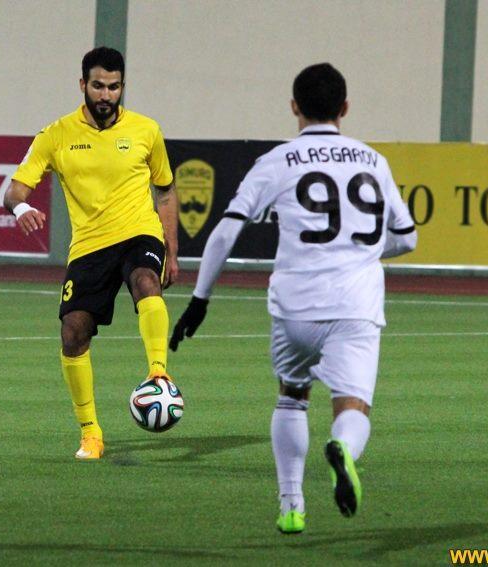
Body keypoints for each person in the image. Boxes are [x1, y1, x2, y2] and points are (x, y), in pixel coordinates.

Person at [169, 63, 417, 533]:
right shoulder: (373, 161)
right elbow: (407, 238)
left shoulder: (278, 161)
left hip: (295, 305)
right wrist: (360, 252)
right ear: (345, 108)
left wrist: (200, 299)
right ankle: (343, 449)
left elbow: (225, 232)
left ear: (294, 107)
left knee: (291, 398)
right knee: (353, 406)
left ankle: (291, 506)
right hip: (356, 306)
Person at [4, 46, 178, 461]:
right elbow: (13, 191)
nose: (106, 95)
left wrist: (171, 251)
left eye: (114, 87)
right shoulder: (56, 135)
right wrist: (22, 209)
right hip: (89, 245)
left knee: (145, 281)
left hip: (139, 232)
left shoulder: (146, 130)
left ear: (122, 87)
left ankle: (159, 373)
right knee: (73, 332)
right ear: (83, 84)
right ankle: (91, 433)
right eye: (98, 86)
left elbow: (165, 190)